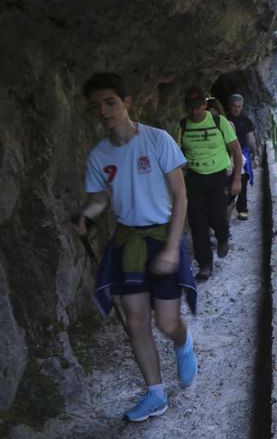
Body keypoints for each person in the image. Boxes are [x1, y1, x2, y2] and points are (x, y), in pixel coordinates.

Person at [74, 72, 198, 422]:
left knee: (167, 322)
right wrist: (86, 216)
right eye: (96, 106)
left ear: (127, 102)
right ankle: (155, 393)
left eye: (110, 102)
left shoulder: (158, 141)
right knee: (136, 320)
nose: (104, 111)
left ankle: (182, 342)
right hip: (128, 240)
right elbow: (99, 199)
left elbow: (180, 196)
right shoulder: (98, 155)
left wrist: (173, 247)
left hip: (162, 236)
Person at [173, 86, 242, 280]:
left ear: (205, 104)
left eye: (198, 107)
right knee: (197, 222)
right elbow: (174, 157)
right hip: (194, 178)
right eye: (190, 108)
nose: (195, 112)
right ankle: (205, 265)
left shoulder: (219, 122)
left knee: (218, 215)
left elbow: (236, 150)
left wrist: (236, 178)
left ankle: (222, 236)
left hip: (218, 176)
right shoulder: (181, 126)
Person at [226, 93, 259, 220]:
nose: (237, 109)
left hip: (243, 152)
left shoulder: (245, 120)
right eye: (234, 106)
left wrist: (255, 156)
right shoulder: (225, 119)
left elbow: (251, 138)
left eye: (240, 107)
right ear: (230, 106)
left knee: (243, 178)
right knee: (229, 178)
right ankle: (229, 203)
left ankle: (242, 209)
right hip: (228, 153)